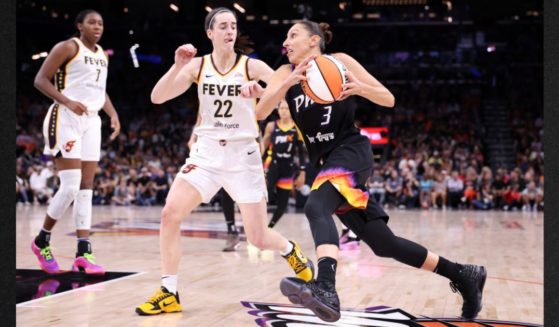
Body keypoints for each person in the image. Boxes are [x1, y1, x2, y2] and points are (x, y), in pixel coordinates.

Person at [256, 20, 486, 322]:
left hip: (351, 150)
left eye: (293, 35)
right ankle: (463, 274)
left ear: (314, 41)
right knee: (383, 243)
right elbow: (260, 112)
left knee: (315, 206)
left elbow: (388, 98)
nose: (286, 41)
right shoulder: (285, 73)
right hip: (326, 163)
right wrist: (287, 83)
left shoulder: (340, 61)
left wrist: (360, 87)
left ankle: (325, 286)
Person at [135, 7, 314, 316]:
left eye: (233, 25)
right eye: (223, 26)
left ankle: (290, 250)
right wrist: (176, 65)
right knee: (169, 214)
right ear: (210, 33)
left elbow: (288, 94)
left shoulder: (252, 66)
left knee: (257, 239)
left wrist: (262, 91)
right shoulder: (197, 66)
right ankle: (169, 291)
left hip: (243, 155)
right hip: (206, 154)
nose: (230, 30)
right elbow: (157, 97)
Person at [31, 9, 121, 275]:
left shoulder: (102, 55)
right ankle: (41, 240)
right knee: (70, 186)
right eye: (92, 22)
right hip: (66, 116)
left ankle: (84, 252)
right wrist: (67, 100)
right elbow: (40, 80)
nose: (97, 26)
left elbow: (99, 91)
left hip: (92, 121)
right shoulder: (68, 47)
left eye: (101, 22)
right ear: (79, 25)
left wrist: (113, 113)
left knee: (86, 187)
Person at [187, 116, 240, 252]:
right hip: (212, 145)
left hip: (237, 143)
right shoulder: (205, 97)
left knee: (244, 195)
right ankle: (232, 230)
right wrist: (192, 138)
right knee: (225, 191)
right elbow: (200, 116)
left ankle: (258, 232)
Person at [261, 99, 306, 229]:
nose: (284, 111)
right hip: (272, 164)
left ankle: (269, 228)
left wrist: (302, 172)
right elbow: (263, 147)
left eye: (287, 108)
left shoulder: (296, 127)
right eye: (282, 109)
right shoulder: (271, 126)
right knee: (264, 196)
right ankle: (259, 226)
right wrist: (258, 163)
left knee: (282, 204)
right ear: (278, 110)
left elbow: (301, 152)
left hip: (288, 167)